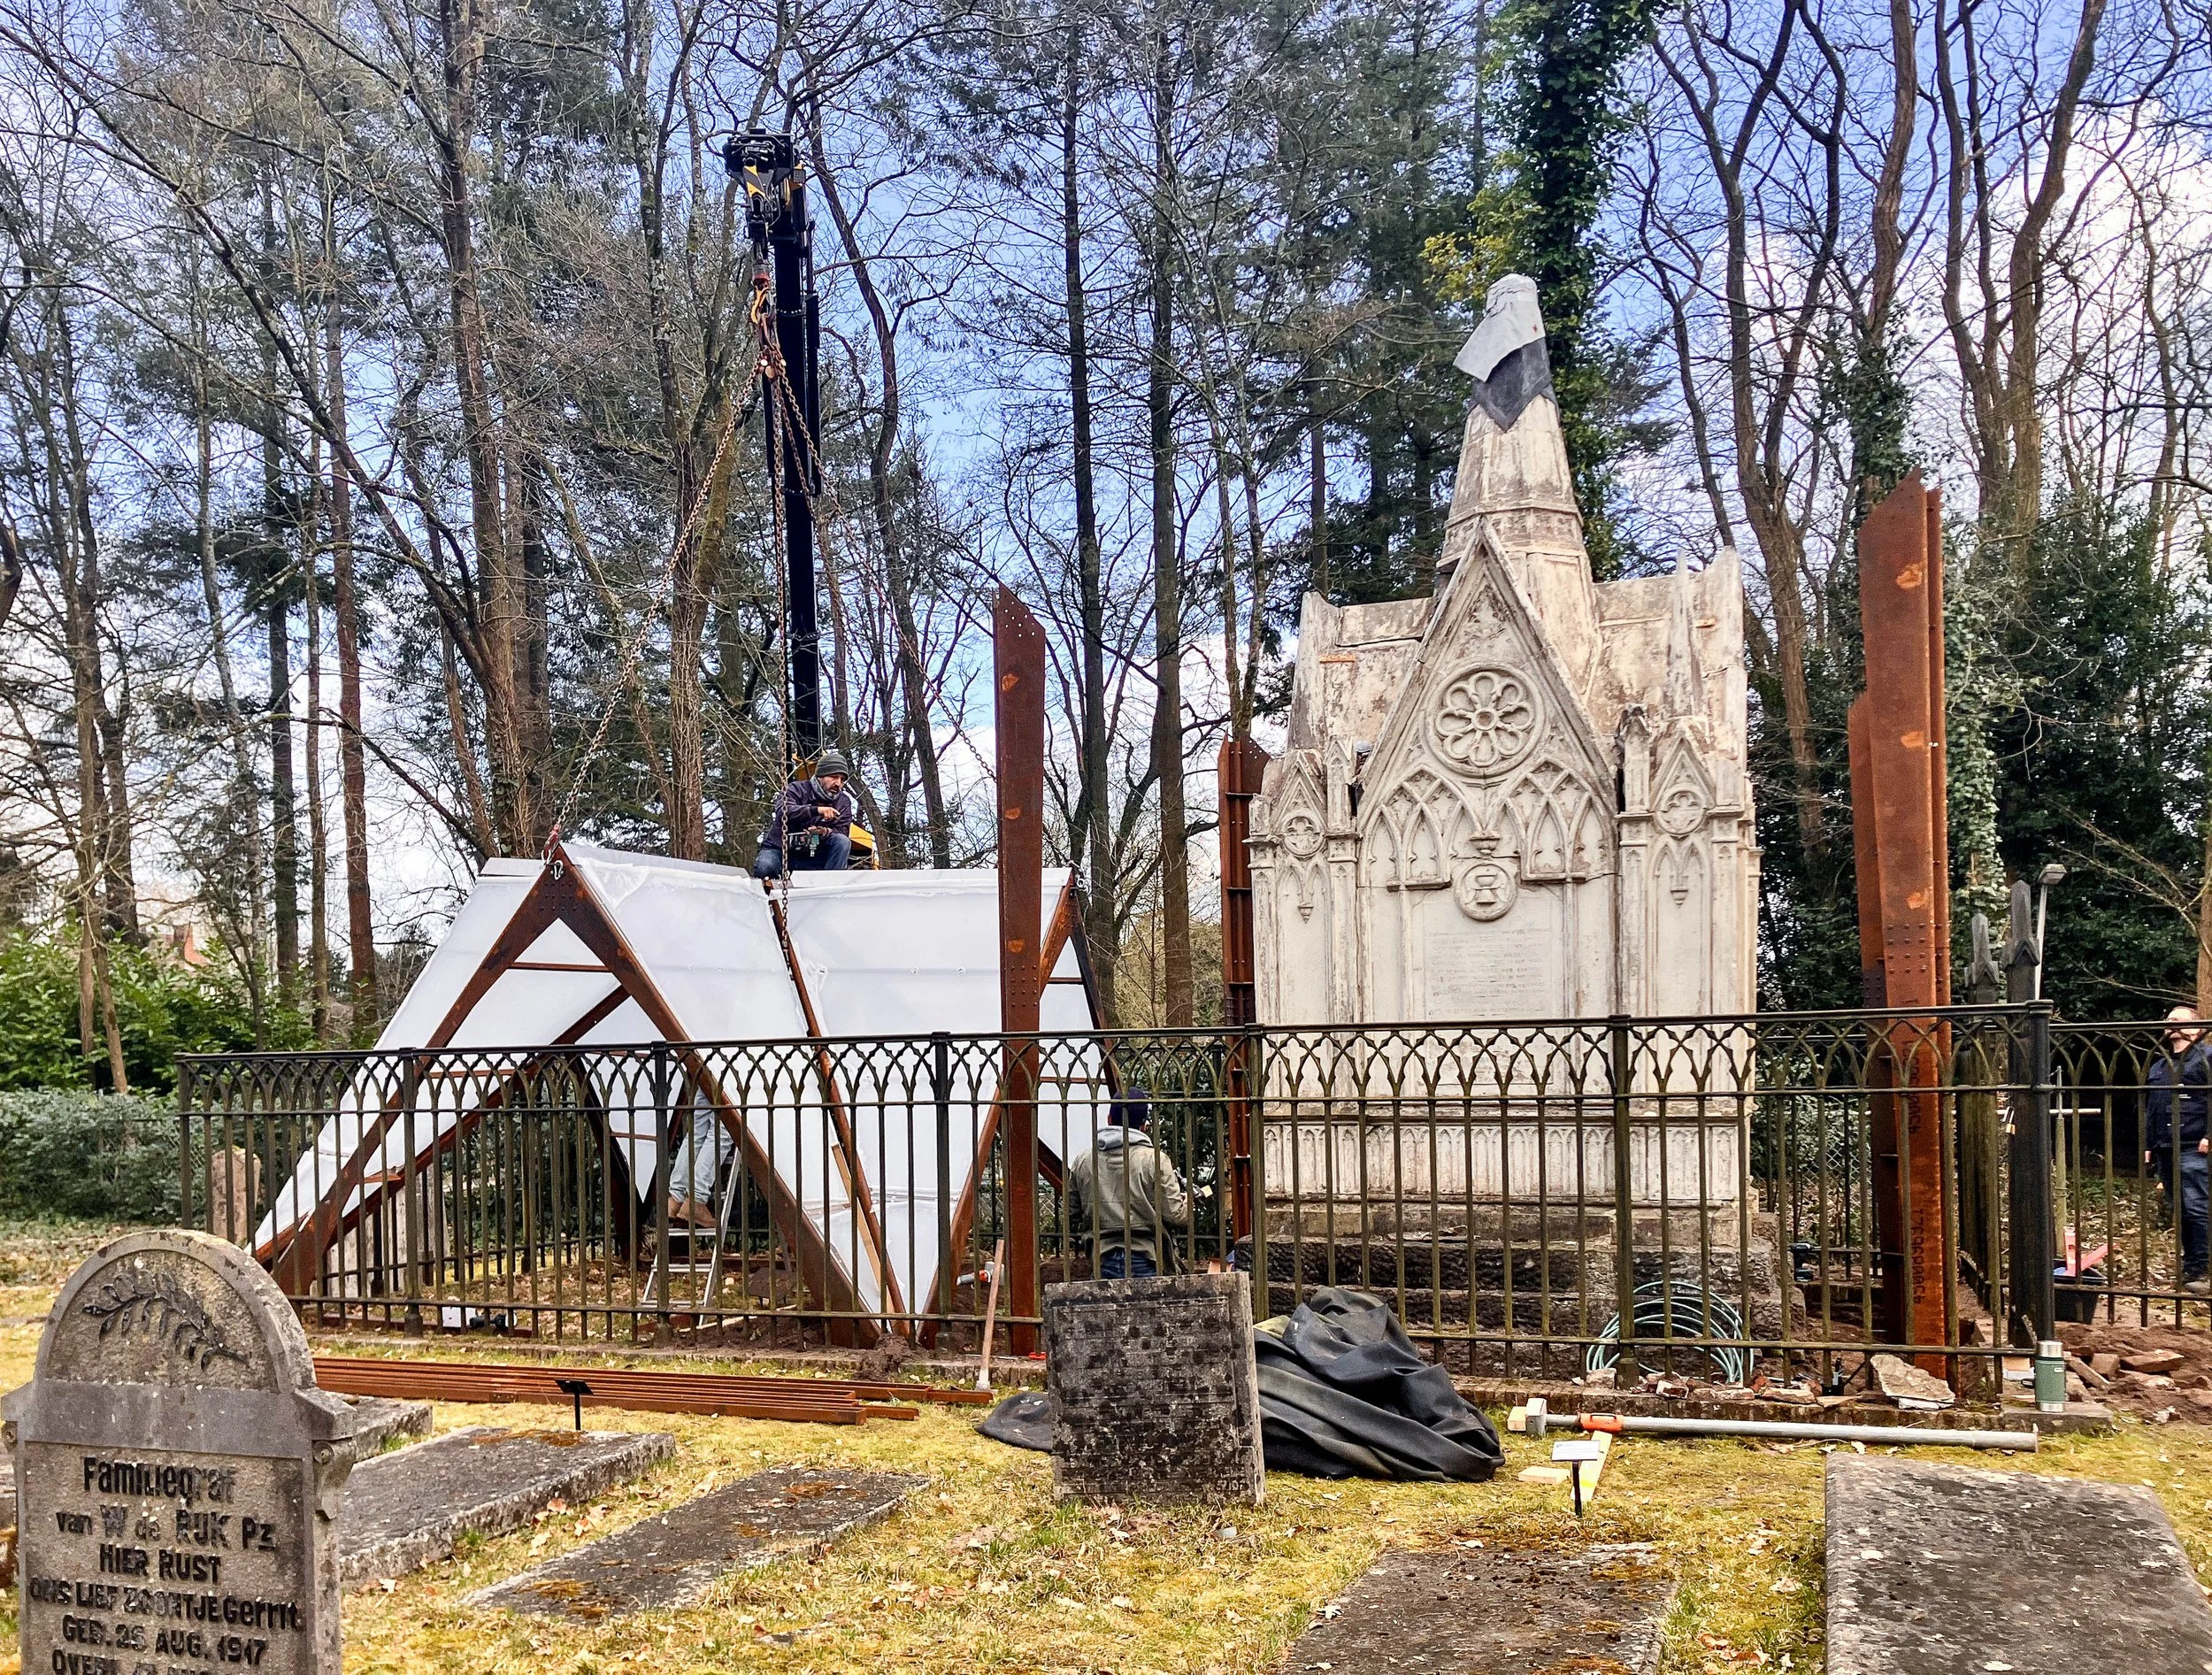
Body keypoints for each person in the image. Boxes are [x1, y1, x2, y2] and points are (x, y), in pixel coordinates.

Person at [1065, 1088, 1192, 1279]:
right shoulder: (1155, 1160)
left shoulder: (1084, 1160)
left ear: (1109, 1119)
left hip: (1102, 1258)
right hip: (1148, 1259)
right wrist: (1188, 1202)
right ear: (1144, 1126)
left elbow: (1071, 1214)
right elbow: (1175, 1217)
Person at [2146, 1003, 2211, 1293]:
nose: (2171, 1023)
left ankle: (2202, 1272)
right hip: (2164, 1147)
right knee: (2181, 1210)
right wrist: (2149, 1143)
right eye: (2169, 1019)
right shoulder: (2159, 1066)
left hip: (2194, 1145)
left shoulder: (2207, 1060)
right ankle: (2190, 1269)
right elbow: (2152, 1108)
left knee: (2196, 1207)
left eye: (2179, 1020)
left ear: (2197, 1030)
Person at [753, 749, 857, 879]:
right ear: (820, 776)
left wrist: (824, 832)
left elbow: (842, 831)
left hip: (815, 855)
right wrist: (816, 810)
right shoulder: (795, 789)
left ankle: (831, 886)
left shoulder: (843, 802)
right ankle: (767, 895)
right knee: (765, 867)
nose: (838, 783)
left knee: (842, 842)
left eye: (842, 780)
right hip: (780, 849)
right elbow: (783, 811)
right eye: (834, 777)